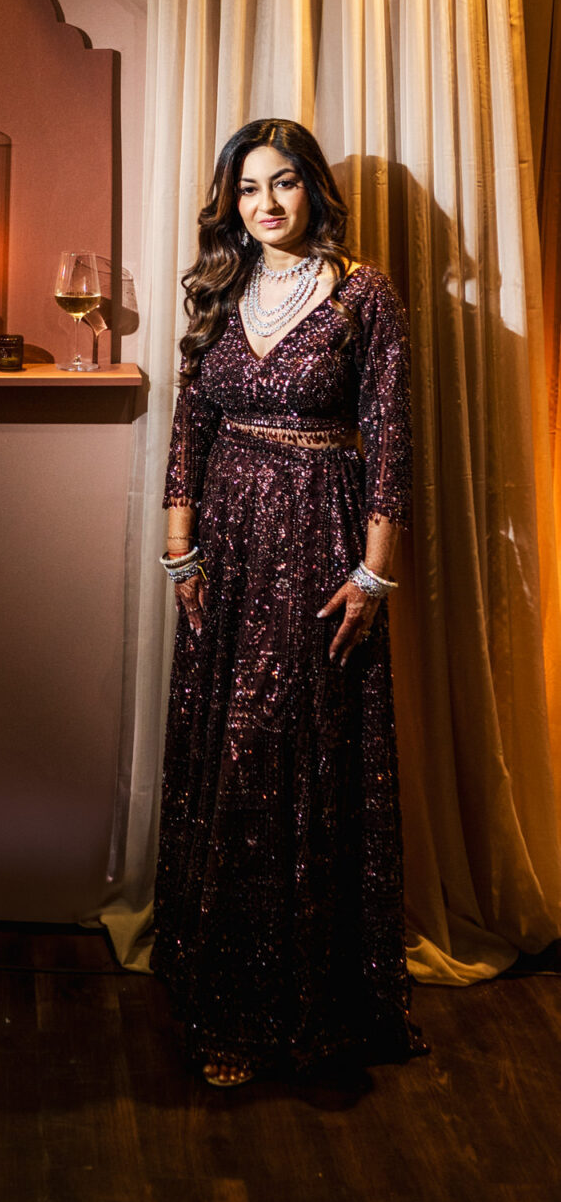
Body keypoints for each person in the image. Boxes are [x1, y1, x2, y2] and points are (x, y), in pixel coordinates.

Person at [153, 118, 425, 1087]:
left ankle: (317, 1003)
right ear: (230, 202)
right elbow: (190, 423)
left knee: (301, 761)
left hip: (321, 548)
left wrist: (374, 574)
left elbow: (389, 439)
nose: (264, 205)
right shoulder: (219, 291)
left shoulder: (364, 294)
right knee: (229, 761)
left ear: (313, 190)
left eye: (283, 185)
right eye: (247, 189)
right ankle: (222, 1001)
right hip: (224, 554)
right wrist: (178, 553)